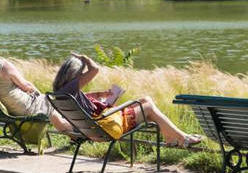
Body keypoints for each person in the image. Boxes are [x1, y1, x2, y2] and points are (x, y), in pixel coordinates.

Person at [52, 53, 202, 148]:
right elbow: (95, 69)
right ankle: (182, 138)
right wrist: (86, 59)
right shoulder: (71, 87)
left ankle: (173, 136)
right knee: (148, 107)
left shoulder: (61, 91)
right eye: (81, 72)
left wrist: (100, 94)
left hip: (92, 129)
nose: (83, 75)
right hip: (105, 129)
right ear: (74, 73)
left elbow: (83, 97)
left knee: (145, 99)